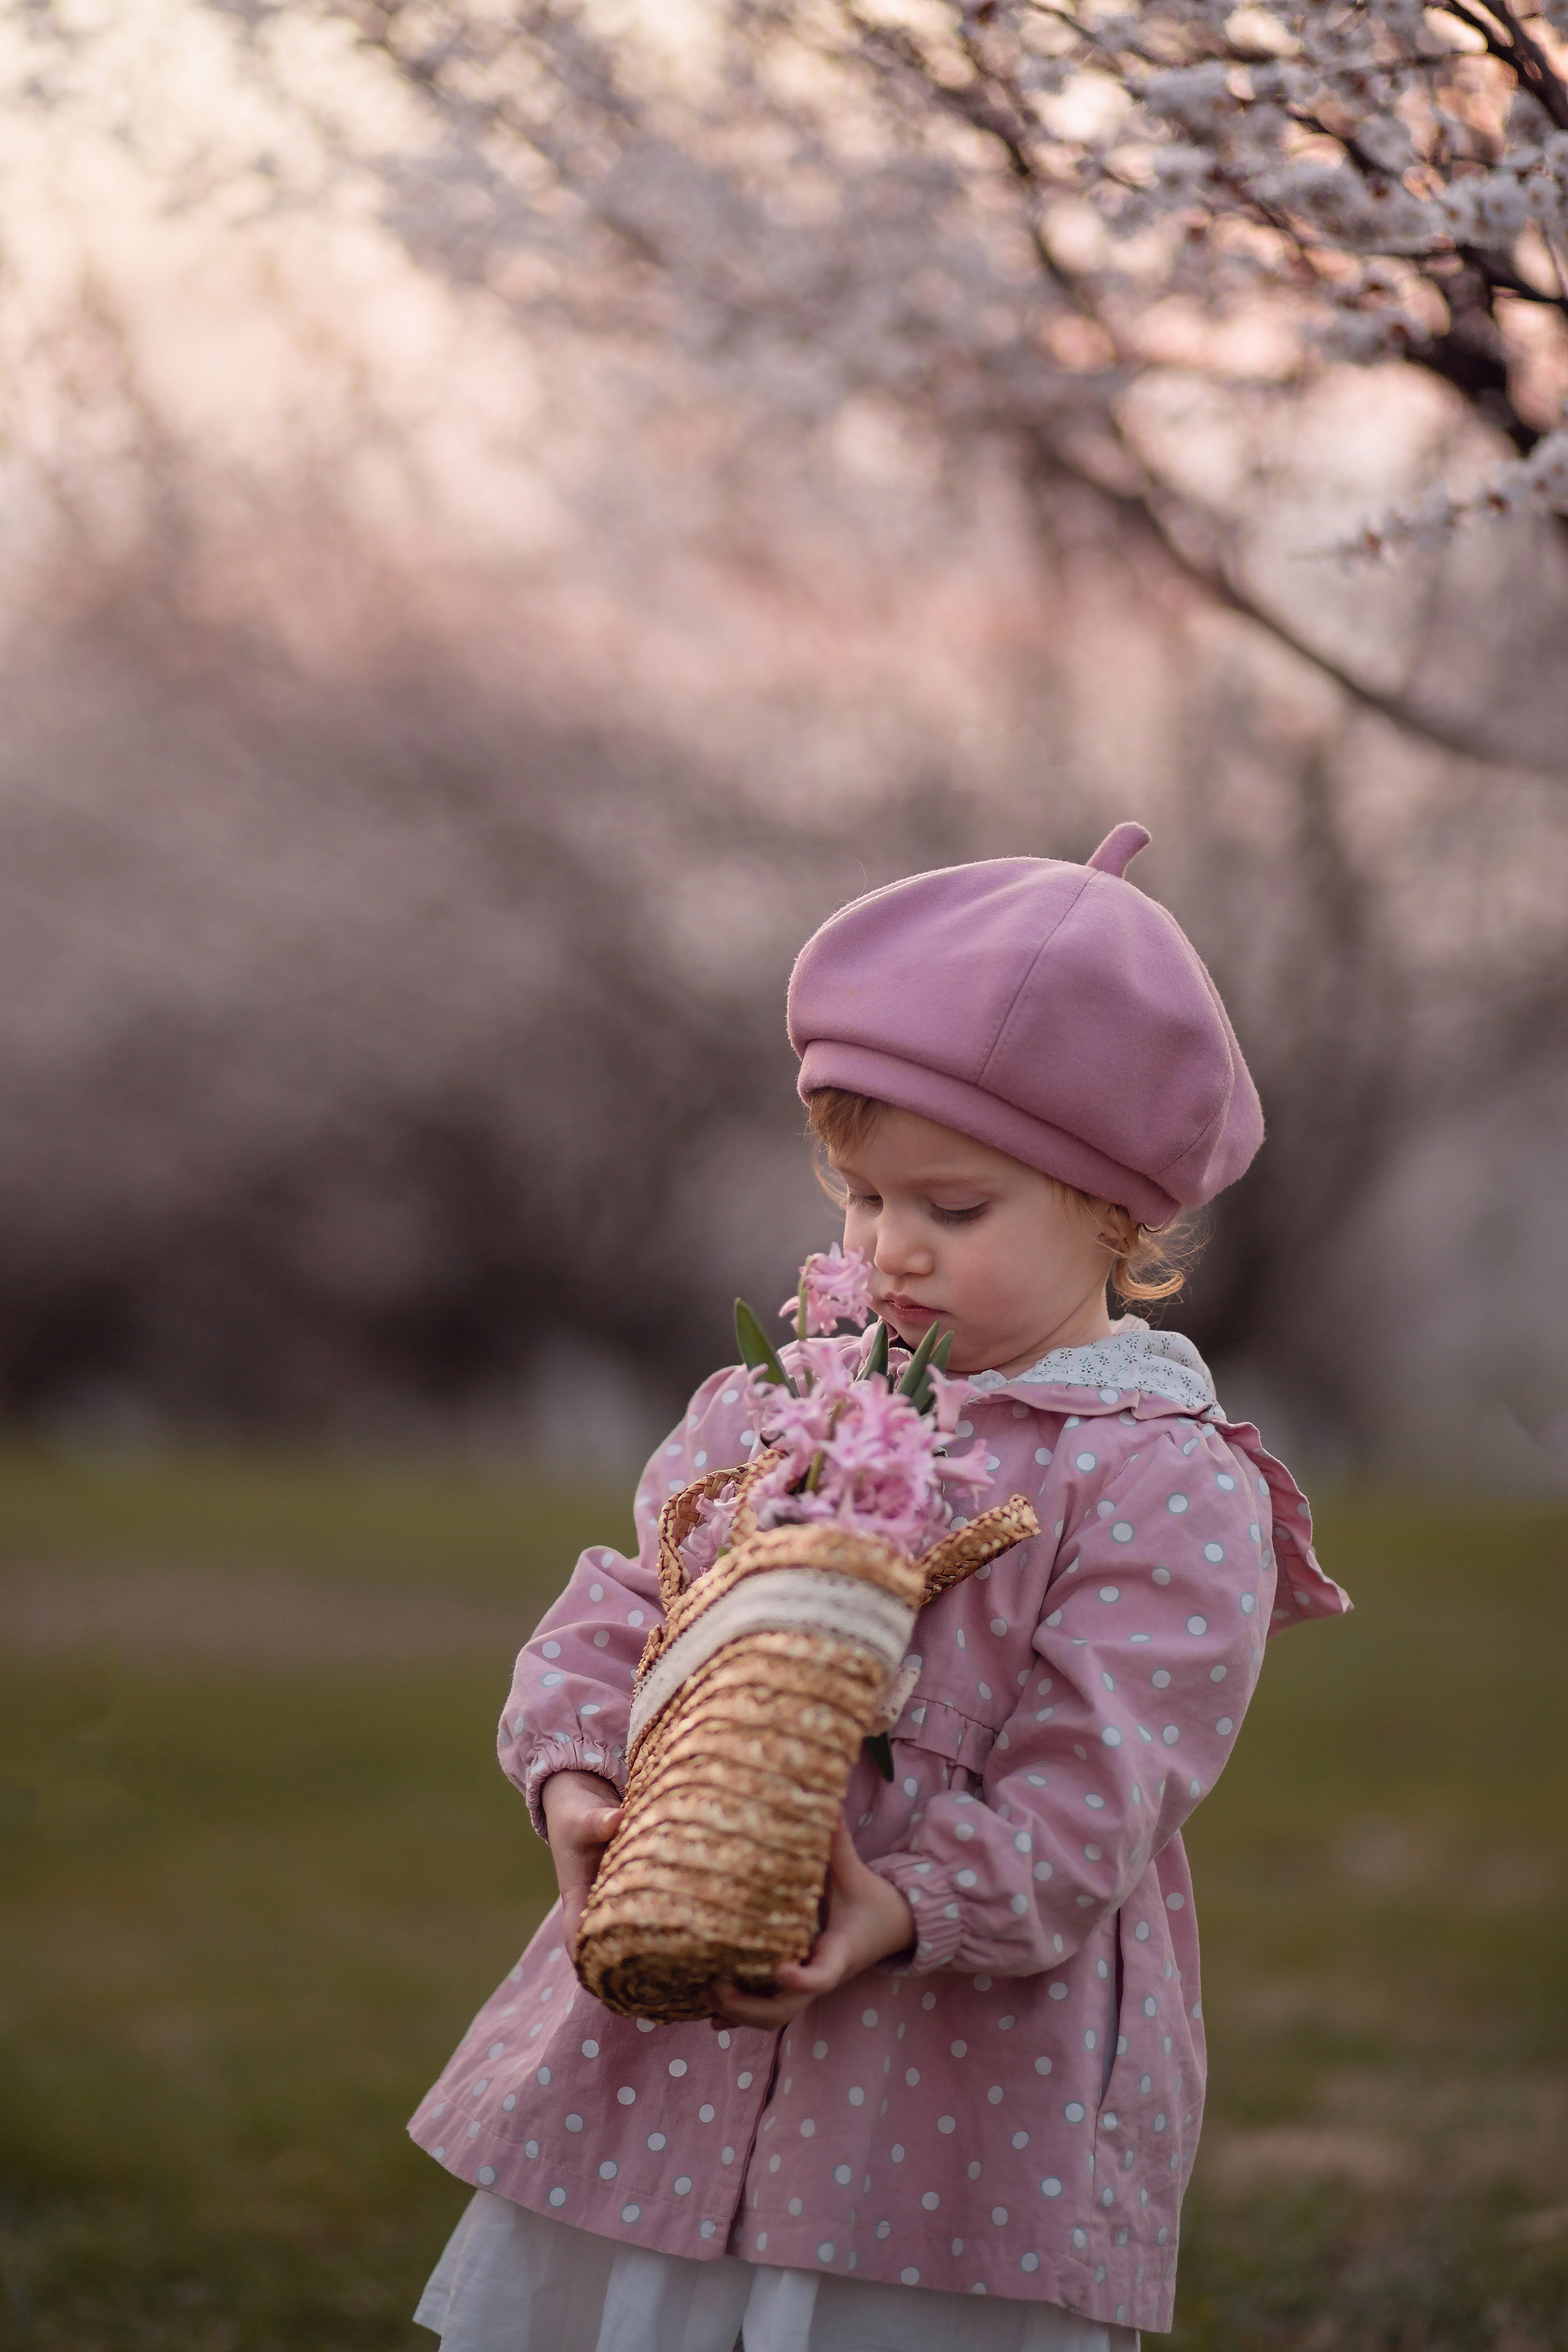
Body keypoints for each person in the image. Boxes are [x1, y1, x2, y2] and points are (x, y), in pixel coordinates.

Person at [409, 824, 1350, 2352]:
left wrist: (906, 1904)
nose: (888, 1249)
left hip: (951, 2082)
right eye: (859, 1199)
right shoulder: (772, 1407)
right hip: (675, 2034)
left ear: (1112, 1210)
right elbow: (624, 1607)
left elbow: (1104, 1784)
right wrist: (577, 1775)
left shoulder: (1159, 1476)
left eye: (951, 1208)